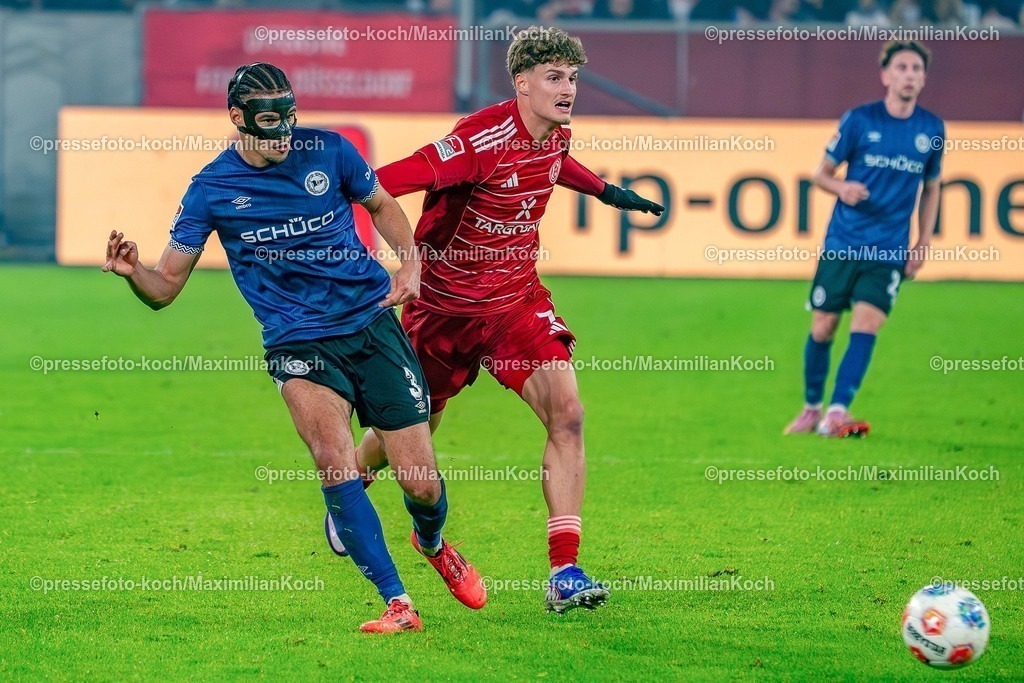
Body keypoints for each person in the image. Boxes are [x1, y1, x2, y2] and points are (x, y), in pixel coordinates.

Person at [101, 62, 486, 633]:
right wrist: (134, 272)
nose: (283, 132)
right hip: (296, 342)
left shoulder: (330, 151)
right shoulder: (212, 189)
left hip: (371, 325)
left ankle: (431, 541)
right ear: (237, 119)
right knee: (335, 462)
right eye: (268, 121)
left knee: (421, 485)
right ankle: (396, 602)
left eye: (289, 117)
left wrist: (410, 262)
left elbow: (382, 205)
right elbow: (165, 289)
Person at [327, 27, 664, 615]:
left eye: (574, 78)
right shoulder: (478, 141)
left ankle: (564, 571)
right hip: (441, 313)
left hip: (514, 305)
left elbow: (557, 164)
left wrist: (608, 192)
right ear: (522, 83)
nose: (568, 90)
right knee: (406, 433)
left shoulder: (555, 135)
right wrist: (331, 195)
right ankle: (351, 487)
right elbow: (394, 179)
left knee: (569, 414)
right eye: (555, 78)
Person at [784, 41, 944, 438]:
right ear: (886, 75)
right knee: (823, 328)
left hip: (889, 248)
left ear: (923, 79)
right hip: (843, 242)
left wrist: (922, 242)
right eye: (902, 67)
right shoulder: (859, 120)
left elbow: (933, 188)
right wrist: (841, 187)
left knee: (867, 324)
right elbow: (820, 174)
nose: (909, 75)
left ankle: (838, 411)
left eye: (916, 69)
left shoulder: (932, 129)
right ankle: (810, 409)